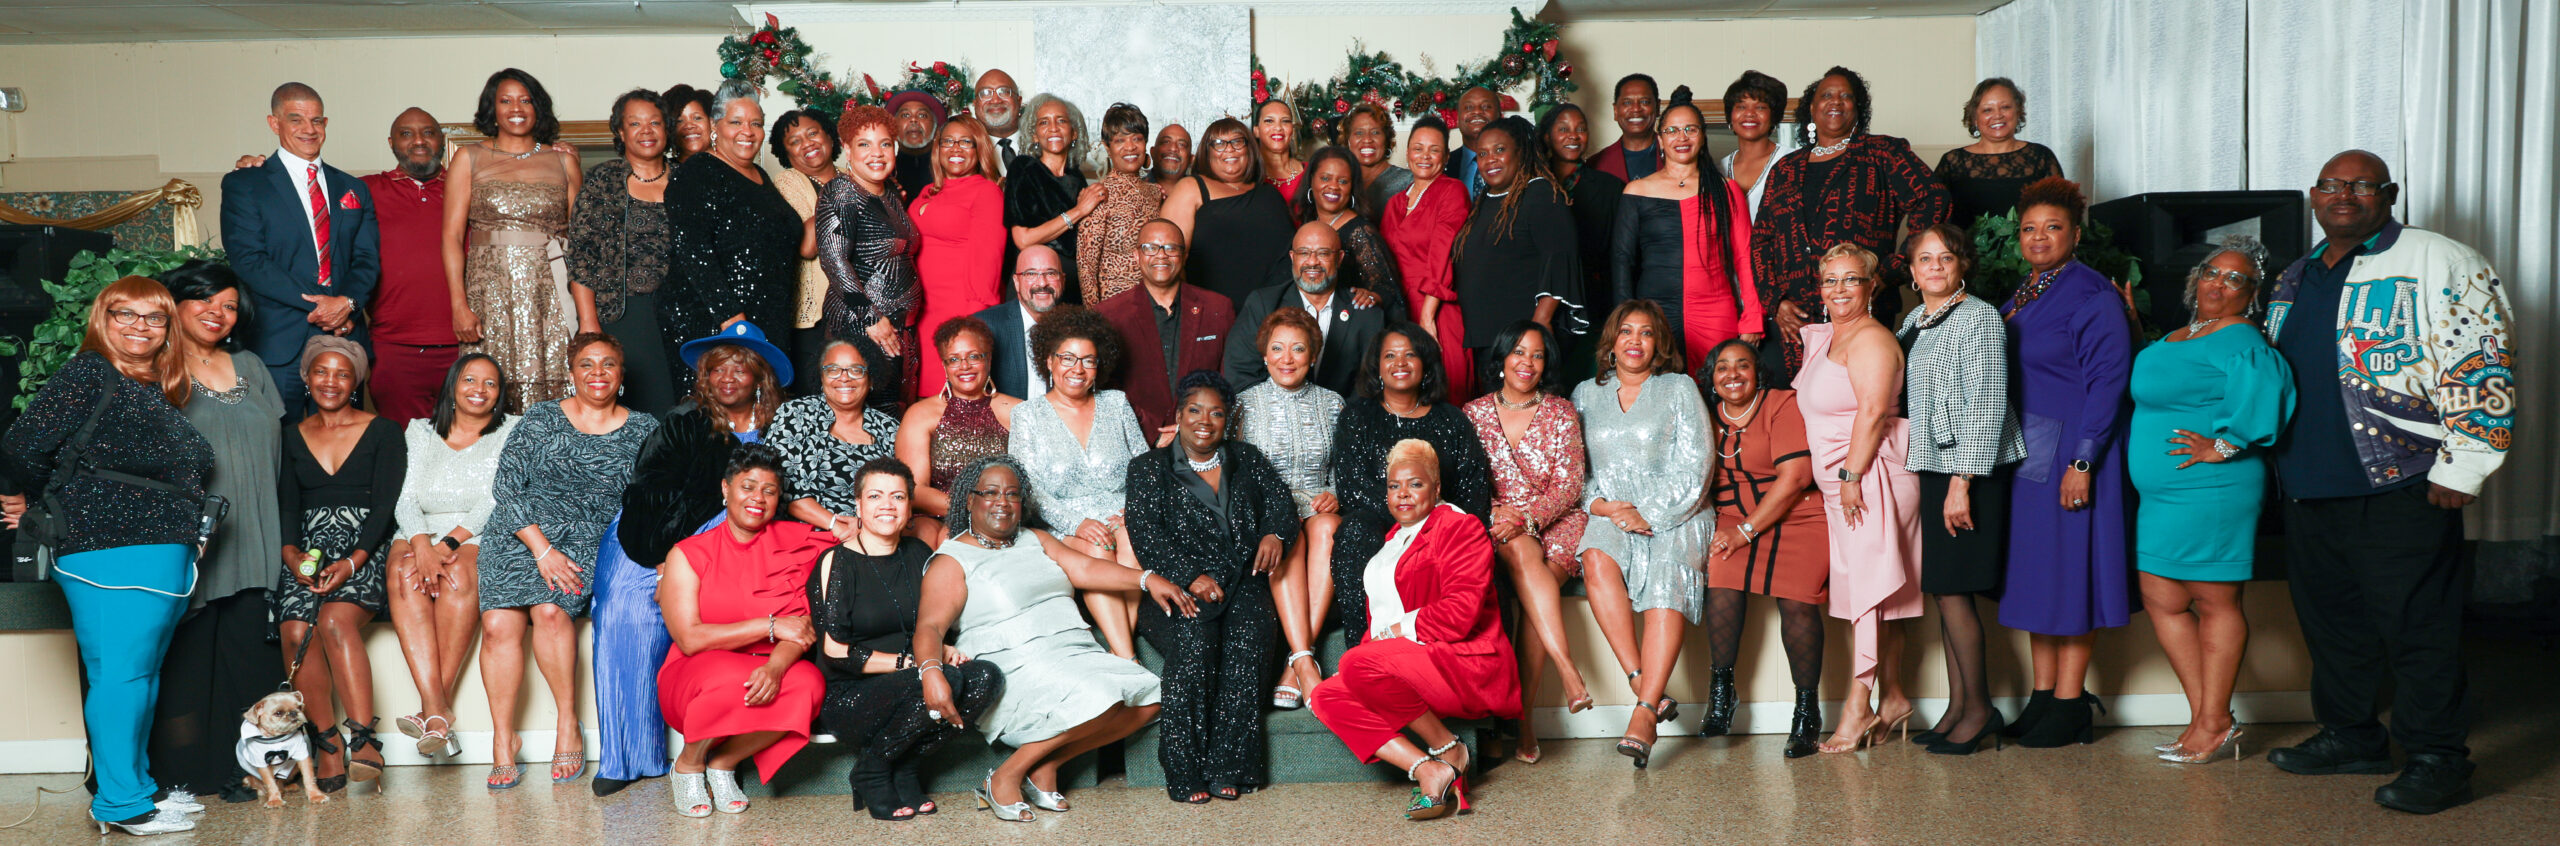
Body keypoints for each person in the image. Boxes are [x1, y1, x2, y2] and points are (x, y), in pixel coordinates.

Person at [2262, 151, 2513, 814]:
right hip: (2310, 483)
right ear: (2314, 196)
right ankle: (2351, 736)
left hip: (2402, 478)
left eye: (2360, 184)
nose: (2343, 195)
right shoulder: (2295, 274)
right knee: (2333, 625)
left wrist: (2465, 464)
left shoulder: (2439, 259)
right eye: (2330, 184)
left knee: (2417, 627)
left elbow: (2482, 358)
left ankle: (2438, 758)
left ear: (2389, 193)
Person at [1, 277, 213, 836]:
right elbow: (24, 446)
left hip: (157, 549)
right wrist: (53, 500)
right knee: (120, 676)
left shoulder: (147, 388)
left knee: (138, 676)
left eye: (154, 317)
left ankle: (135, 789)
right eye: (126, 314)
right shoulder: (89, 371)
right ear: (103, 317)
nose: (140, 326)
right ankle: (119, 804)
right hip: (108, 546)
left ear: (168, 329)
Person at [912, 455, 1189, 821]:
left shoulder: (1036, 539)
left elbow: (1086, 568)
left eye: (1013, 494)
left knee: (1155, 698)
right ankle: (1006, 775)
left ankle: (1046, 765)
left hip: (1072, 652)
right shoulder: (953, 559)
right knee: (1103, 697)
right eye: (991, 493)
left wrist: (1146, 579)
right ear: (969, 501)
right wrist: (930, 672)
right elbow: (929, 627)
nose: (1003, 502)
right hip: (1016, 665)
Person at [591, 322, 789, 795]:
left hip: (733, 544)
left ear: (759, 375)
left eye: (740, 367)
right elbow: (649, 490)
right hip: (648, 539)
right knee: (627, 616)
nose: (728, 377)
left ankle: (719, 754)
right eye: (718, 367)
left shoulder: (781, 425)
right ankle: (625, 761)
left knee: (725, 620)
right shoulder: (686, 420)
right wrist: (666, 558)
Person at [2131, 236, 2294, 765]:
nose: (2219, 283)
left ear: (2253, 294)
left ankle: (2213, 720)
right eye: (2212, 272)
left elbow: (2268, 397)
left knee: (2215, 600)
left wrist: (2223, 446)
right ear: (2195, 278)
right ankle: (2209, 718)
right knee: (2162, 598)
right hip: (2162, 496)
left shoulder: (2240, 338)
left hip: (2214, 491)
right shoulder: (2180, 334)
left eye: (2236, 278)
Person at [477, 333, 659, 789]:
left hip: (588, 541)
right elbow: (506, 488)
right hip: (522, 534)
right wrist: (541, 549)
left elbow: (656, 497)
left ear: (621, 375)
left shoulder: (644, 428)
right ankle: (503, 740)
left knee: (551, 612)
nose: (597, 373)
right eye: (586, 364)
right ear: (571, 373)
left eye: (607, 365)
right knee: (499, 624)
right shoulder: (541, 418)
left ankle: (567, 722)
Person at [1307, 438, 1517, 821]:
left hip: (1464, 662)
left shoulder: (1460, 527)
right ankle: (1428, 769)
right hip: (1415, 664)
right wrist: (1365, 660)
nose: (1403, 494)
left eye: (1415, 484)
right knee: (1326, 695)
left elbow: (1460, 614)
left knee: (1356, 664)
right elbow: (1383, 620)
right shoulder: (1393, 541)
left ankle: (1449, 749)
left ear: (1436, 489)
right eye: (1394, 486)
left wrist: (1377, 649)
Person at [1996, 176, 2133, 749]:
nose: (2039, 237)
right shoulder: (2026, 290)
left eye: (2053, 227)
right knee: (2037, 577)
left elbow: (2109, 382)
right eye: (2029, 228)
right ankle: (2044, 696)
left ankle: (2073, 704)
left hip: (2074, 452)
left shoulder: (2090, 292)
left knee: (2071, 575)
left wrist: (2083, 461)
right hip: (2031, 450)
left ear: (2075, 233)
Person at [145, 261, 285, 803]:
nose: (217, 313)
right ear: (174, 305)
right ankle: (182, 777)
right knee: (186, 660)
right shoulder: (156, 366)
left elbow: (278, 449)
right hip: (190, 538)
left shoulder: (251, 364)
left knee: (249, 659)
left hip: (256, 533)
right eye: (204, 300)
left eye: (228, 305)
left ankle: (247, 772)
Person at [1126, 371, 1299, 803]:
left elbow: (1281, 504)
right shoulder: (1148, 468)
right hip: (1179, 587)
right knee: (1197, 644)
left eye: (1217, 412)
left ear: (1229, 419)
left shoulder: (1247, 458)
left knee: (1249, 640)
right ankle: (1182, 767)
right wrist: (1188, 576)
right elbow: (1145, 534)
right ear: (1179, 415)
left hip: (1243, 582)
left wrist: (1275, 535)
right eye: (1195, 410)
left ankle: (1231, 766)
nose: (1205, 420)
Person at [1892, 223, 2025, 755]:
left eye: (1946, 257)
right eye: (1926, 259)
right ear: (1912, 269)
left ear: (1962, 263)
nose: (1936, 267)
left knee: (1954, 589)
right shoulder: (1915, 320)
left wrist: (1961, 484)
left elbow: (1989, 406)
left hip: (1968, 473)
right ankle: (1958, 706)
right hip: (1932, 467)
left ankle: (1981, 710)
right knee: (1947, 591)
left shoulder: (1980, 318)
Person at [808, 458, 1002, 820]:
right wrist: (916, 663)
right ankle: (874, 768)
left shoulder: (919, 554)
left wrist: (942, 649)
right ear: (859, 504)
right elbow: (835, 651)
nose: (887, 505)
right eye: (876, 496)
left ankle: (905, 764)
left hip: (915, 679)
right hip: (851, 697)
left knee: (985, 676)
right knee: (936, 678)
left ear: (909, 506)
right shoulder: (836, 563)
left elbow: (935, 622)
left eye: (898, 497)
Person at [656, 443, 837, 817]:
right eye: (748, 486)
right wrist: (768, 625)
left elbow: (800, 630)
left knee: (808, 685)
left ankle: (723, 761)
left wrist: (775, 667)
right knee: (725, 676)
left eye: (769, 491)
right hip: (697, 669)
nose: (758, 498)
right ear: (726, 489)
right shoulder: (688, 553)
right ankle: (689, 764)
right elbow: (690, 638)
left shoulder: (796, 544)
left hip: (767, 661)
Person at [1793, 244, 1923, 752]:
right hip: (1844, 482)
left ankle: (1857, 708)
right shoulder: (1830, 336)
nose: (1839, 290)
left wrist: (1850, 476)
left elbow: (1871, 413)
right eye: (1830, 280)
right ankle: (1892, 696)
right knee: (1875, 597)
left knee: (1867, 597)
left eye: (1851, 280)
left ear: (1872, 287)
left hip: (1869, 476)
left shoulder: (1870, 339)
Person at [1573, 300, 1710, 768]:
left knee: (1666, 585)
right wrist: (1603, 506)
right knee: (1594, 556)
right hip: (1611, 510)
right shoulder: (1585, 394)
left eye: (1646, 333)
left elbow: (1697, 466)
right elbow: (1578, 471)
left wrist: (1649, 513)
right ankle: (1639, 679)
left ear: (1659, 345)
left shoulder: (1678, 387)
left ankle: (1645, 711)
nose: (1634, 340)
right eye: (1625, 332)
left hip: (1678, 510)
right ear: (1610, 344)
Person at [1751, 67, 1950, 383]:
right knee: (1791, 413)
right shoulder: (1785, 170)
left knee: (1855, 404)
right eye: (1826, 95)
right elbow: (1761, 240)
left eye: (1847, 96)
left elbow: (1934, 199)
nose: (1836, 101)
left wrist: (1893, 268)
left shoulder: (1883, 154)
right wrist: (1775, 302)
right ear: (1812, 108)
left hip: (1861, 313)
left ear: (1858, 109)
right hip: (1793, 323)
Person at [272, 335, 405, 793]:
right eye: (322, 371)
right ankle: (326, 745)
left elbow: (387, 506)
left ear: (356, 381)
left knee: (332, 620)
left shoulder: (384, 431)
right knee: (294, 629)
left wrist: (354, 561)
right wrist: (291, 554)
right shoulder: (289, 435)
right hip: (308, 551)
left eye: (342, 373)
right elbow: (289, 505)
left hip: (365, 547)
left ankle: (364, 738)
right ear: (307, 379)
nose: (331, 381)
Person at [1461, 321, 1592, 763]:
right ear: (1501, 359)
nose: (1527, 362)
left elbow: (1570, 484)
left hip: (1557, 523)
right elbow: (1467, 482)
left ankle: (1525, 720)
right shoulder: (1472, 413)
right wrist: (1500, 514)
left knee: (1534, 599)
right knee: (1521, 554)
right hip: (1497, 523)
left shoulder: (1561, 412)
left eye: (1537, 355)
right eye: (1518, 352)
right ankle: (1565, 679)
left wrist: (1529, 517)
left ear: (1546, 364)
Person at [1699, 338, 1832, 757]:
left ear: (1758, 373)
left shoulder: (1779, 403)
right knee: (1720, 579)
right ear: (1711, 377)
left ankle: (1807, 713)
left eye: (1743, 365)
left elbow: (1794, 477)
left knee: (1797, 603)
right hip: (1732, 516)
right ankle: (1722, 693)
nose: (1732, 374)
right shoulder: (1706, 415)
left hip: (1796, 514)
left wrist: (1746, 531)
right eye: (1723, 367)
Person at [1324, 324, 1494, 647]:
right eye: (1390, 355)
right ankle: (1363, 650)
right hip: (1379, 529)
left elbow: (1472, 492)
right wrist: (1405, 527)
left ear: (1426, 364)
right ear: (1377, 366)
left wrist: (1428, 529)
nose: (1399, 363)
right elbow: (1352, 487)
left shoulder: (1453, 420)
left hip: (1441, 531)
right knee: (1353, 532)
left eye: (1410, 354)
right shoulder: (1357, 417)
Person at [387, 354, 516, 763]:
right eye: (470, 380)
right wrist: (423, 546)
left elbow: (496, 499)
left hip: (476, 532)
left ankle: (431, 711)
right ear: (452, 388)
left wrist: (447, 546)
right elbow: (405, 497)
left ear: (499, 395)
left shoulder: (511, 430)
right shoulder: (420, 431)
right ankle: (439, 712)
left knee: (458, 575)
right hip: (417, 529)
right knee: (406, 573)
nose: (479, 389)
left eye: (490, 383)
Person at [220, 82, 377, 415]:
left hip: (345, 339)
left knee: (343, 449)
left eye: (317, 121)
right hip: (279, 344)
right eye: (296, 120)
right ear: (274, 123)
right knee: (281, 448)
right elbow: (248, 260)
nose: (309, 129)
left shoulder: (353, 188)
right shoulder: (246, 184)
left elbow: (366, 260)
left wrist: (346, 303)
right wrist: (323, 307)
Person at [1007, 306, 1152, 657]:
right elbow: (1030, 488)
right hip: (1065, 523)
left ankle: (1121, 651)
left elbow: (1146, 469)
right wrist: (1078, 523)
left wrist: (1131, 511)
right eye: (1068, 358)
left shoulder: (1116, 403)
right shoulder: (1026, 416)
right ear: (1050, 362)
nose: (1078, 368)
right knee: (1097, 549)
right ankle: (1128, 655)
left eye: (1088, 360)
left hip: (1121, 514)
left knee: (1131, 542)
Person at [442, 68, 581, 411]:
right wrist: (459, 305)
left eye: (525, 100)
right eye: (505, 100)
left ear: (538, 107)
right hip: (490, 293)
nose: (515, 108)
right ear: (493, 108)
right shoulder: (468, 158)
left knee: (558, 379)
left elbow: (582, 240)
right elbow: (451, 236)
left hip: (552, 292)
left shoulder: (564, 160)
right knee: (489, 383)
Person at [1231, 308, 1344, 709]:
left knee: (1328, 527)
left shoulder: (1333, 403)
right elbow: (1235, 474)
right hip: (1268, 513)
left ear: (1313, 355)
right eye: (1277, 349)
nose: (1287, 358)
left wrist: (1334, 491)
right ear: (1264, 355)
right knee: (1287, 528)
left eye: (1298, 349)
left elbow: (1343, 470)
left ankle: (1296, 662)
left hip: (1317, 507)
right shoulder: (1242, 405)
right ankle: (1305, 663)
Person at [662, 81, 803, 398]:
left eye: (756, 123)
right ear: (715, 126)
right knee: (716, 419)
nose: (748, 132)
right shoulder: (697, 172)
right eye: (736, 122)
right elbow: (693, 251)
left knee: (762, 419)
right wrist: (731, 320)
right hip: (716, 321)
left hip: (766, 319)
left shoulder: (759, 176)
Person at [1613, 101, 1760, 368]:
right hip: (1654, 314)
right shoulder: (1637, 190)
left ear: (1702, 136)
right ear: (1660, 138)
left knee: (1719, 390)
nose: (1682, 137)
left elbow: (1745, 255)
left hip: (1716, 312)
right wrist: (1626, 321)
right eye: (1672, 130)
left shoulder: (1726, 190)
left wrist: (1752, 317)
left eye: (1690, 129)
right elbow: (1622, 259)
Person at [1454, 115, 1585, 400]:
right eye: (1483, 154)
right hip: (1488, 338)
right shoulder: (1487, 200)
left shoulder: (1539, 193)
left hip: (1521, 342)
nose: (1490, 159)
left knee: (1525, 418)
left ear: (1521, 153)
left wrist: (1538, 328)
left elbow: (1559, 258)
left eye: (1500, 150)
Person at [567, 88, 680, 414]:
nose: (646, 131)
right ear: (620, 131)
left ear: (667, 129)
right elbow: (582, 257)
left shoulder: (686, 180)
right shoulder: (605, 179)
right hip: (622, 315)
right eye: (635, 124)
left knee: (679, 412)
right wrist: (589, 323)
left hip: (678, 317)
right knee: (632, 411)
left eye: (655, 123)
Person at [817, 104, 923, 411]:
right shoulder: (841, 192)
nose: (876, 153)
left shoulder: (888, 192)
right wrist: (871, 318)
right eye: (864, 144)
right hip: (862, 326)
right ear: (847, 150)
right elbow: (834, 261)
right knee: (866, 416)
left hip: (897, 327)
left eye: (885, 144)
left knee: (894, 417)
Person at [362, 107, 461, 423]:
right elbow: (305, 196)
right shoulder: (364, 190)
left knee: (467, 449)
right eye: (407, 133)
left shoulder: (467, 189)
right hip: (393, 347)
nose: (419, 141)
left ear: (442, 141)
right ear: (391, 142)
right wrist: (257, 168)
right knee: (405, 452)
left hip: (464, 344)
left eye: (428, 132)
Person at [1094, 219, 1237, 435]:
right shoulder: (1108, 314)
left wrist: (1192, 427)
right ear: (1136, 255)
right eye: (1150, 248)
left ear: (1184, 256)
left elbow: (1230, 379)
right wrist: (1153, 431)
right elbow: (1105, 391)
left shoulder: (1219, 308)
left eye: (1171, 248)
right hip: (1137, 441)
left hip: (1203, 438)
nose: (1161, 255)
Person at [1223, 221, 1389, 395]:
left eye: (1323, 253)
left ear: (1339, 258)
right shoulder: (1263, 304)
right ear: (1292, 257)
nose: (1312, 262)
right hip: (1271, 417)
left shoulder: (1365, 312)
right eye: (1303, 253)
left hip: (1343, 417)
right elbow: (1240, 375)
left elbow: (1369, 385)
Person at [893, 317, 1022, 538]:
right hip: (936, 516)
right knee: (945, 538)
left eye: (974, 356)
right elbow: (914, 488)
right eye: (954, 359)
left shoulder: (1018, 410)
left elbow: (1030, 479)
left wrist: (992, 511)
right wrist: (970, 509)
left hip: (1003, 514)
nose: (964, 366)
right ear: (944, 365)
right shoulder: (921, 414)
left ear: (988, 359)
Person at [910, 115, 1007, 397]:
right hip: (922, 313)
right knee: (925, 403)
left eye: (966, 142)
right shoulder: (927, 192)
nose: (956, 149)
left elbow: (988, 265)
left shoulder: (986, 192)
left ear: (979, 150)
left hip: (958, 312)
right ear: (938, 149)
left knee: (954, 398)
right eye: (948, 141)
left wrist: (974, 329)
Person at [1380, 116, 1474, 399]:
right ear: (1407, 152)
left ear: (1446, 156)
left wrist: (1427, 316)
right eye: (1418, 148)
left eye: (1434, 150)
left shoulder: (1452, 191)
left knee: (1446, 390)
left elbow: (1443, 253)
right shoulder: (1395, 202)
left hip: (1437, 311)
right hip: (1399, 311)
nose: (1425, 156)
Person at [770, 340, 903, 535]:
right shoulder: (795, 414)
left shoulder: (889, 429)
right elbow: (782, 488)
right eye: (833, 370)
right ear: (821, 377)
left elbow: (901, 494)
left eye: (856, 370)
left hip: (873, 536)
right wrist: (836, 526)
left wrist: (866, 532)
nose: (844, 378)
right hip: (804, 536)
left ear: (871, 378)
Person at [1160, 117, 1295, 305]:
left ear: (1250, 149)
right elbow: (1168, 258)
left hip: (1274, 313)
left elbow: (1293, 256)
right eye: (1219, 143)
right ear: (1207, 152)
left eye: (1237, 142)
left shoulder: (1270, 194)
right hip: (1212, 314)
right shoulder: (1191, 188)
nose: (1229, 149)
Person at [1542, 102, 1624, 361]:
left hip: (1593, 305)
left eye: (1581, 129)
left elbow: (1618, 255)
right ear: (1547, 137)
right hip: (1542, 304)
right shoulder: (1533, 188)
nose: (1573, 136)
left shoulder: (1610, 187)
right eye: (1563, 129)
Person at [771, 108, 844, 394]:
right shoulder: (788, 182)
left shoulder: (853, 177)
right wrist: (840, 192)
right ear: (786, 153)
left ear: (829, 135)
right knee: (816, 400)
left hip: (857, 312)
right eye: (795, 141)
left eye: (813, 133)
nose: (808, 143)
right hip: (816, 319)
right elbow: (808, 247)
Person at [1005, 95, 1103, 302]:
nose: (1053, 128)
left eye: (1061, 120)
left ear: (1073, 132)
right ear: (1034, 135)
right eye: (1044, 122)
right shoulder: (1023, 168)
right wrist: (1078, 211)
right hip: (1035, 282)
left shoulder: (1077, 179)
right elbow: (1023, 239)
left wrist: (1150, 190)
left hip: (1072, 284)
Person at [1935, 78, 2064, 232]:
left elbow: (2061, 213)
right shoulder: (1952, 162)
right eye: (1987, 110)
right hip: (1965, 253)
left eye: (2005, 107)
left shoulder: (2041, 157)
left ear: (2018, 111)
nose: (1997, 115)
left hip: (2029, 252)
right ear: (1975, 117)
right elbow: (1936, 218)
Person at [1295, 146, 1406, 320]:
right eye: (1325, 178)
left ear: (1352, 187)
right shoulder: (1309, 223)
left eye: (1343, 181)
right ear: (1311, 180)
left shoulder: (1361, 232)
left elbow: (1389, 291)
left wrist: (1371, 296)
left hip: (1350, 326)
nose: (1333, 187)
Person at [1079, 103, 1168, 305]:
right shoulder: (1098, 195)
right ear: (1107, 147)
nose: (1130, 147)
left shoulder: (1156, 193)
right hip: (1115, 309)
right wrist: (1096, 326)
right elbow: (1086, 269)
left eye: (1136, 138)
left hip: (1154, 306)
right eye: (1120, 140)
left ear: (1145, 143)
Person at [971, 245, 1066, 399]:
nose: (1042, 283)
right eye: (1031, 274)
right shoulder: (984, 326)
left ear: (1062, 280)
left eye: (1050, 273)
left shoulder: (1079, 328)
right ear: (1016, 281)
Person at [1718, 71, 1793, 220]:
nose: (1750, 114)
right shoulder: (1717, 169)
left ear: (1773, 116)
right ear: (1730, 116)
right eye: (1741, 107)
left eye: (1760, 107)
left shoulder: (1792, 161)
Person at [1340, 104, 1411, 217]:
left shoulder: (1409, 182)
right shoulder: (1340, 182)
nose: (1367, 139)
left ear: (1386, 139)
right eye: (1359, 133)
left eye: (1375, 132)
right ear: (1348, 141)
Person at [1589, 73, 1662, 181]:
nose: (1636, 109)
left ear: (1658, 107)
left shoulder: (1677, 155)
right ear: (1615, 110)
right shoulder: (1595, 164)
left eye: (1644, 102)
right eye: (1627, 103)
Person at [886, 91, 947, 206]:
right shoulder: (883, 173)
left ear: (936, 128)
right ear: (892, 127)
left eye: (922, 115)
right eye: (905, 115)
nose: (913, 120)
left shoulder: (949, 169)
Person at [1448, 86, 1504, 196]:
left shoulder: (1514, 161)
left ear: (1500, 116)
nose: (1477, 111)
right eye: (1468, 107)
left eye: (1486, 106)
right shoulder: (1443, 165)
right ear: (1458, 120)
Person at [1254, 98, 1310, 201]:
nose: (1278, 127)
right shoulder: (1248, 174)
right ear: (1256, 131)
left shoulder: (1310, 172)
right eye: (1269, 121)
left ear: (1292, 130)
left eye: (1285, 121)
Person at [973, 69, 1026, 162]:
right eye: (985, 93)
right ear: (975, 104)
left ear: (1019, 101)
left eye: (1004, 91)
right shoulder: (966, 150)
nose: (996, 100)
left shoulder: (1041, 142)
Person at [663, 83, 715, 161]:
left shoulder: (732, 165)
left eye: (697, 118)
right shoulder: (664, 170)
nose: (689, 126)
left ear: (712, 122)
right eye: (679, 121)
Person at [1150, 123, 1194, 194]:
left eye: (1181, 144)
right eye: (1166, 142)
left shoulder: (1201, 196)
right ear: (1152, 152)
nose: (1173, 148)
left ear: (1191, 159)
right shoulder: (1133, 191)